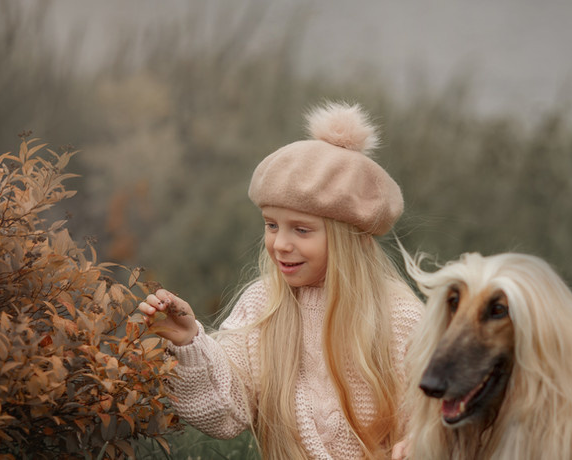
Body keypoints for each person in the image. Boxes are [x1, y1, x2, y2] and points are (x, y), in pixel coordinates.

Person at [137, 102, 423, 459]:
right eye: (271, 225)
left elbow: (433, 417)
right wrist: (188, 341)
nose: (280, 244)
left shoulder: (400, 318)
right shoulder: (264, 304)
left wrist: (421, 443)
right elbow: (226, 414)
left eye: (301, 229)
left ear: (352, 238)